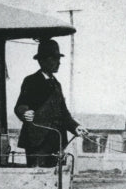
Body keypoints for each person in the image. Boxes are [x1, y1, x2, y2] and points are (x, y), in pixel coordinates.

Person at [14, 38, 87, 167]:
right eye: (54, 59)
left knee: (56, 180)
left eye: (58, 59)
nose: (58, 62)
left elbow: (64, 114)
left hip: (56, 141)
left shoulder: (57, 85)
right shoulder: (31, 81)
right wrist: (25, 112)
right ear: (42, 60)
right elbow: (20, 105)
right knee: (37, 179)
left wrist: (76, 127)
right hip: (37, 141)